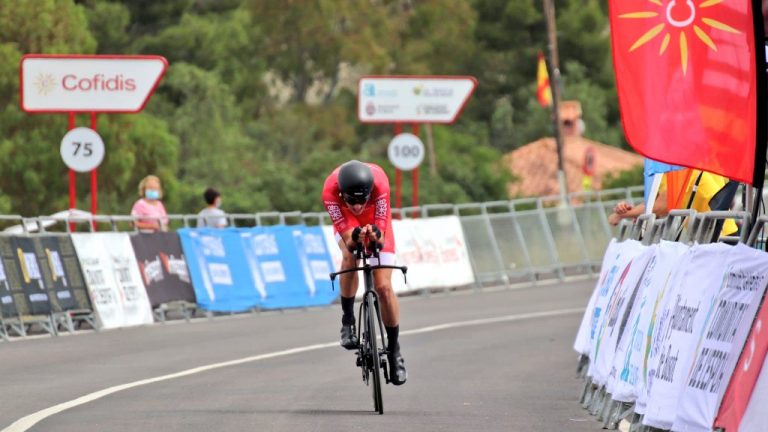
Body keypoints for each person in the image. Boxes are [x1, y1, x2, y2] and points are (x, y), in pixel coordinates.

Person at [322, 160, 407, 386]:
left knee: (384, 288)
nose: (357, 206)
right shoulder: (330, 191)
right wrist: (356, 235)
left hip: (376, 221)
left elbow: (380, 237)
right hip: (347, 223)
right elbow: (349, 241)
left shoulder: (380, 185)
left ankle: (394, 349)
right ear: (342, 193)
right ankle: (347, 320)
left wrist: (373, 235)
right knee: (350, 256)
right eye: (352, 200)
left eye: (362, 200)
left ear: (370, 193)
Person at [608, 170, 738, 236]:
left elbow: (661, 207)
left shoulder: (681, 169)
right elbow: (653, 204)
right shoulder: (666, 172)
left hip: (720, 235)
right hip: (706, 236)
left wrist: (622, 215)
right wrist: (625, 209)